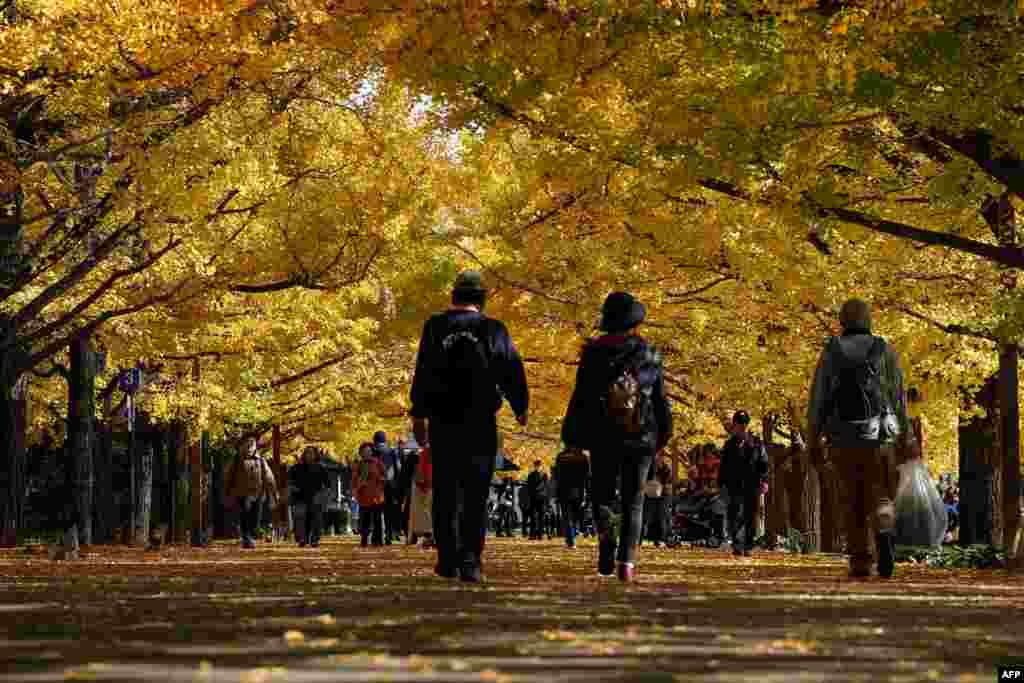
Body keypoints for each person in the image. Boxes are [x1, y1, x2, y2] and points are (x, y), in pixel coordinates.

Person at [409, 271, 529, 583]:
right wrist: (520, 405)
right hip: (480, 421)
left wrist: (418, 415)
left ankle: (447, 559)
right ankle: (471, 560)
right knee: (476, 492)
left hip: (442, 421)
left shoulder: (435, 327)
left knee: (446, 491)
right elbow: (511, 367)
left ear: (454, 297)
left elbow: (423, 369)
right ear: (481, 300)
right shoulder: (493, 329)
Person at [561, 291, 673, 582]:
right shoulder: (649, 354)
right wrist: (664, 434)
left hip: (603, 436)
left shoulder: (593, 353)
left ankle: (606, 547)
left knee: (602, 496)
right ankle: (627, 563)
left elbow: (581, 398)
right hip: (642, 435)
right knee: (633, 500)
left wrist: (572, 435)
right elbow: (660, 399)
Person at [807, 298, 919, 579]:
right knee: (881, 491)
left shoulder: (832, 351)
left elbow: (819, 397)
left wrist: (813, 436)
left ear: (843, 320)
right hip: (881, 437)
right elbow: (898, 397)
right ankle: (884, 524)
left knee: (851, 497)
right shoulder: (884, 350)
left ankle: (860, 560)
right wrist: (907, 435)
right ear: (868, 319)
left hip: (843, 438)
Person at [718, 411, 769, 557]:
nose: (741, 427)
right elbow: (723, 467)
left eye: (743, 424)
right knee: (734, 515)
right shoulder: (729, 445)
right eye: (738, 424)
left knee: (750, 515)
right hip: (733, 485)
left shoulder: (757, 443)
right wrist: (721, 485)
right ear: (734, 426)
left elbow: (763, 463)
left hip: (751, 484)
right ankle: (737, 543)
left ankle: (747, 544)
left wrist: (764, 481)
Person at [226, 437, 278, 549]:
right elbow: (228, 476)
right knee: (244, 516)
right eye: (247, 444)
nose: (249, 446)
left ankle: (250, 536)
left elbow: (268, 476)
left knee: (255, 518)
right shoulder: (237, 459)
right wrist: (227, 492)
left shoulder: (260, 459)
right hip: (241, 494)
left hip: (258, 494)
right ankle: (247, 539)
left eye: (252, 444)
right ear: (242, 446)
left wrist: (273, 492)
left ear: (255, 446)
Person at [290, 446, 330, 548]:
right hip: (300, 497)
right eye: (307, 453)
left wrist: (324, 496)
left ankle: (314, 539)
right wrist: (293, 488)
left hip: (316, 496)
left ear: (316, 455)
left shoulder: (321, 467)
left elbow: (327, 484)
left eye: (311, 453)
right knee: (301, 519)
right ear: (304, 454)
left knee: (316, 519)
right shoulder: (296, 467)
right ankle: (302, 539)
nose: (309, 455)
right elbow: (290, 480)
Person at [554, 448, 590, 548]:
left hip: (564, 491)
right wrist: (586, 493)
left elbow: (557, 476)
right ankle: (572, 536)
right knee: (574, 517)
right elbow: (586, 477)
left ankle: (571, 540)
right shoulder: (583, 457)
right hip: (578, 491)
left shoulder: (561, 456)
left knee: (567, 517)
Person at [352, 442, 385, 547]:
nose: (366, 453)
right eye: (364, 452)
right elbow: (354, 479)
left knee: (377, 519)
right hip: (364, 495)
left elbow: (385, 476)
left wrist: (380, 480)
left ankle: (378, 540)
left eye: (369, 451)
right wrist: (358, 487)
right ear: (361, 453)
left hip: (376, 495)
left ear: (372, 452)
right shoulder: (359, 465)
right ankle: (364, 539)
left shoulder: (378, 463)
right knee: (365, 519)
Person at [373, 432, 402, 545]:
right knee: (389, 512)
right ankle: (389, 535)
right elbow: (398, 468)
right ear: (385, 440)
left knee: (376, 511)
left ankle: (377, 538)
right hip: (390, 485)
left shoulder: (373, 452)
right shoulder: (392, 451)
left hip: (376, 486)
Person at [408, 445, 434, 549]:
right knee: (425, 512)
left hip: (425, 486)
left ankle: (426, 536)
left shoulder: (424, 453)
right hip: (427, 486)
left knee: (423, 513)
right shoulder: (424, 453)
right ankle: (427, 536)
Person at [526, 460, 549, 540]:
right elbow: (528, 486)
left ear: (541, 466)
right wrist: (531, 494)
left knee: (541, 517)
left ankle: (540, 534)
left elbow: (546, 486)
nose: (537, 467)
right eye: (536, 466)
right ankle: (532, 534)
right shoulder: (531, 475)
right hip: (533, 497)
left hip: (542, 498)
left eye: (539, 466)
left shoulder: (544, 475)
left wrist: (546, 499)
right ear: (534, 466)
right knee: (533, 516)